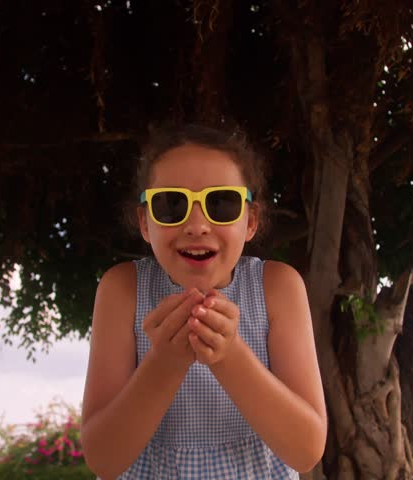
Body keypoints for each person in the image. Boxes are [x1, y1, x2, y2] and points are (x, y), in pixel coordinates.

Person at [80, 124, 327, 479]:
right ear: (145, 223)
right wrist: (164, 362)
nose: (197, 225)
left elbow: (305, 452)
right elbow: (104, 458)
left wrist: (229, 357)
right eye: (171, 204)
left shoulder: (277, 287)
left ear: (251, 221)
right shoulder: (123, 290)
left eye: (221, 203)